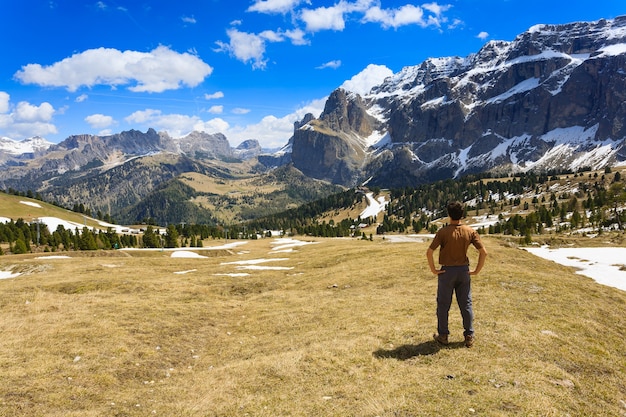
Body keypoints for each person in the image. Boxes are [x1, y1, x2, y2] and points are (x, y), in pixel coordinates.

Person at [426, 201, 487, 348]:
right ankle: (469, 336)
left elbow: (429, 252)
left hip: (446, 272)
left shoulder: (443, 232)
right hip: (463, 271)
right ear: (462, 214)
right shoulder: (470, 231)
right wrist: (476, 270)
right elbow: (483, 252)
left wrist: (434, 270)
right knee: (466, 304)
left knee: (443, 305)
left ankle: (443, 335)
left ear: (448, 214)